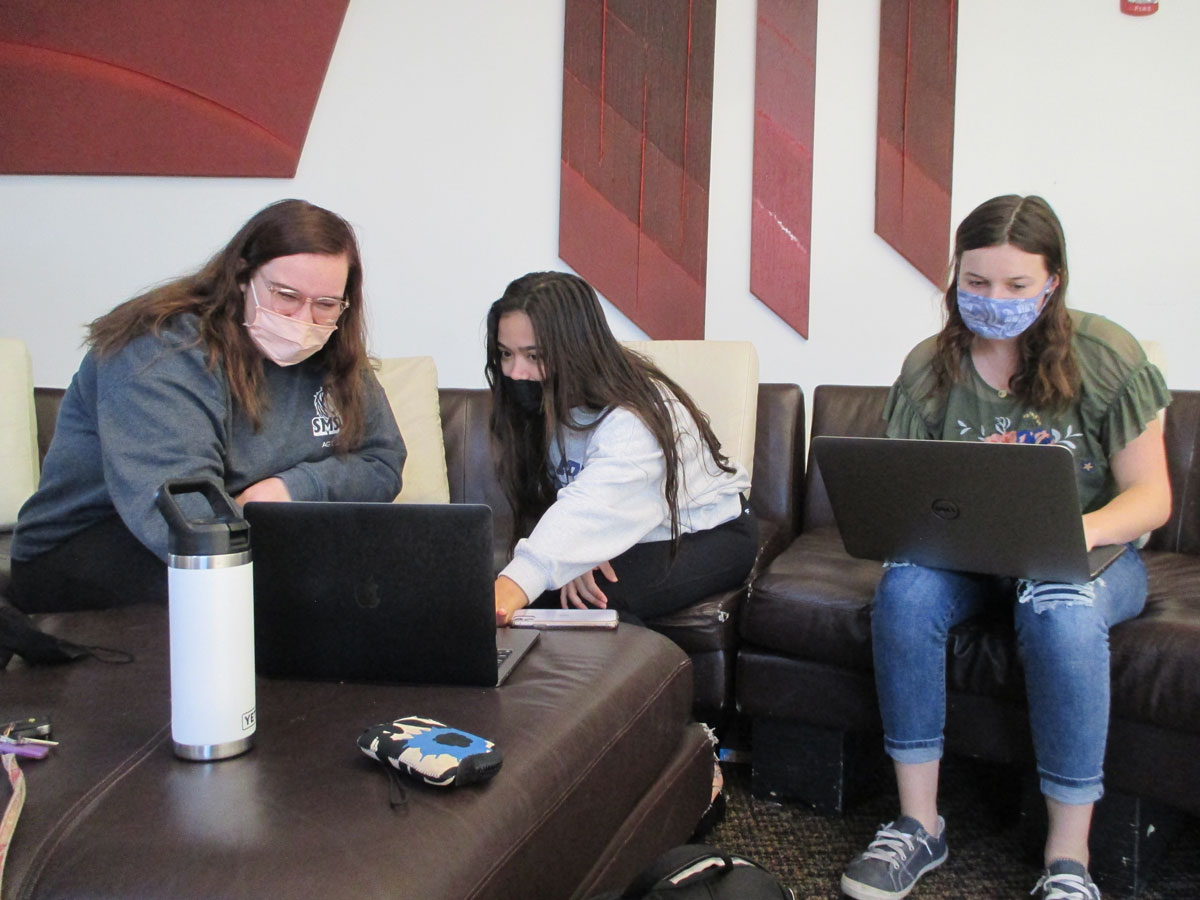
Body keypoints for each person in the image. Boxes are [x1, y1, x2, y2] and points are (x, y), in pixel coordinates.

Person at [839, 195, 1171, 900]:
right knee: (903, 589)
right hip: (969, 557)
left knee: (1060, 611)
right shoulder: (930, 366)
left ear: (1053, 282)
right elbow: (909, 494)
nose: (994, 300)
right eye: (977, 283)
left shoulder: (1107, 355)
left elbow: (1152, 499)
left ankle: (1068, 862)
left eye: (1017, 285)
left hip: (1088, 554)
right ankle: (918, 824)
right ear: (956, 276)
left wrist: (1066, 531)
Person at [10, 199, 406, 613]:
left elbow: (382, 461)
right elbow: (187, 522)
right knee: (302, 601)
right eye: (286, 295)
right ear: (241, 278)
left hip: (243, 532)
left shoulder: (332, 346)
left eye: (325, 304)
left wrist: (289, 489)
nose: (304, 319)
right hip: (98, 544)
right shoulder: (161, 349)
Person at [485, 271, 757, 628]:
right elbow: (567, 504)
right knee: (556, 597)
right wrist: (577, 555)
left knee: (580, 604)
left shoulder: (633, 419)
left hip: (707, 534)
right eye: (506, 354)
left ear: (575, 350)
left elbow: (593, 507)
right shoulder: (541, 399)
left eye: (533, 356)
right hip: (627, 530)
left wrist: (511, 589)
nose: (516, 372)